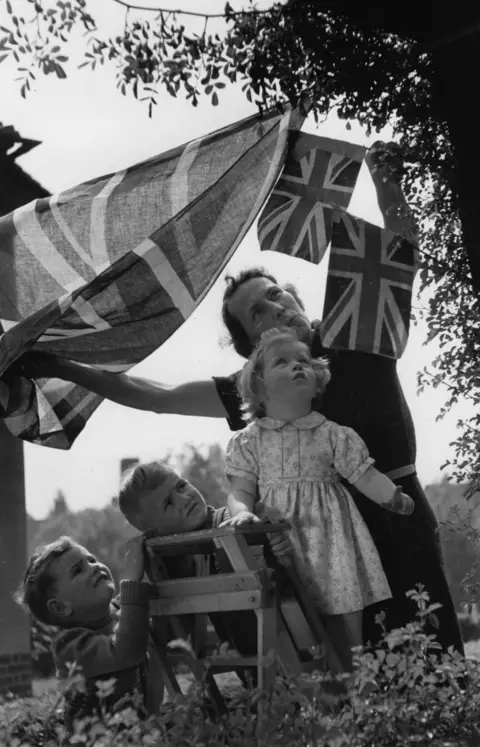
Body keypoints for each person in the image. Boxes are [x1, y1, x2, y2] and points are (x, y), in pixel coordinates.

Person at [19, 267, 464, 655]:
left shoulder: (355, 332)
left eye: (275, 294)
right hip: (329, 545)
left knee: (435, 650)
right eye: (258, 313)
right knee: (362, 667)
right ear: (254, 347)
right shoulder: (261, 388)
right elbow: (156, 397)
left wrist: (379, 168)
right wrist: (64, 367)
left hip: (399, 516)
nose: (275, 308)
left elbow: (392, 250)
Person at [222, 326, 415, 670]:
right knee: (294, 620)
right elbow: (241, 490)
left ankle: (354, 687)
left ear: (317, 380)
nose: (297, 366)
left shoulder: (333, 434)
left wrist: (391, 496)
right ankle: (312, 696)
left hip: (332, 541)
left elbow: (363, 475)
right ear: (259, 386)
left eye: (303, 361)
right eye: (282, 362)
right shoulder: (249, 441)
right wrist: (240, 513)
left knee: (344, 613)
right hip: (283, 542)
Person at [18, 535, 154, 734]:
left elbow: (139, 612)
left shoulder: (121, 609)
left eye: (92, 559)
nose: (94, 566)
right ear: (60, 606)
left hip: (133, 732)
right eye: (78, 570)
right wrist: (132, 580)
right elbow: (126, 651)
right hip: (93, 740)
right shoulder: (70, 647)